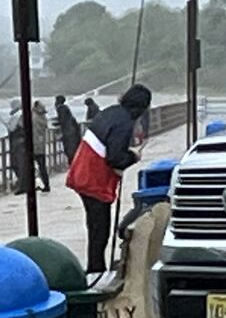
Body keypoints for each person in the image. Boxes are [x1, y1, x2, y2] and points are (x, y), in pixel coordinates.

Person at [66, 84, 152, 274]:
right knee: (100, 230)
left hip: (81, 173)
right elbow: (115, 158)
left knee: (95, 227)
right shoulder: (125, 122)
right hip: (93, 179)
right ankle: (95, 271)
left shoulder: (111, 112)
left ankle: (95, 268)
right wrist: (133, 156)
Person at [6, 98, 28, 195]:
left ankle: (22, 184)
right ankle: (25, 183)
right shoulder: (23, 114)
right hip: (24, 142)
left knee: (17, 164)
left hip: (17, 143)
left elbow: (11, 128)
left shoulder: (16, 115)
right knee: (22, 164)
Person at [54, 95, 81, 163]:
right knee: (73, 150)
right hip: (73, 131)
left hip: (69, 133)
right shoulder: (65, 108)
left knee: (70, 151)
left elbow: (62, 120)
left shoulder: (61, 108)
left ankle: (72, 166)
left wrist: (56, 123)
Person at [32, 100, 52, 193]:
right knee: (42, 167)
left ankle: (33, 184)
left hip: (33, 145)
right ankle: (46, 185)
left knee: (30, 166)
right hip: (41, 145)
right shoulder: (43, 118)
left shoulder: (33, 117)